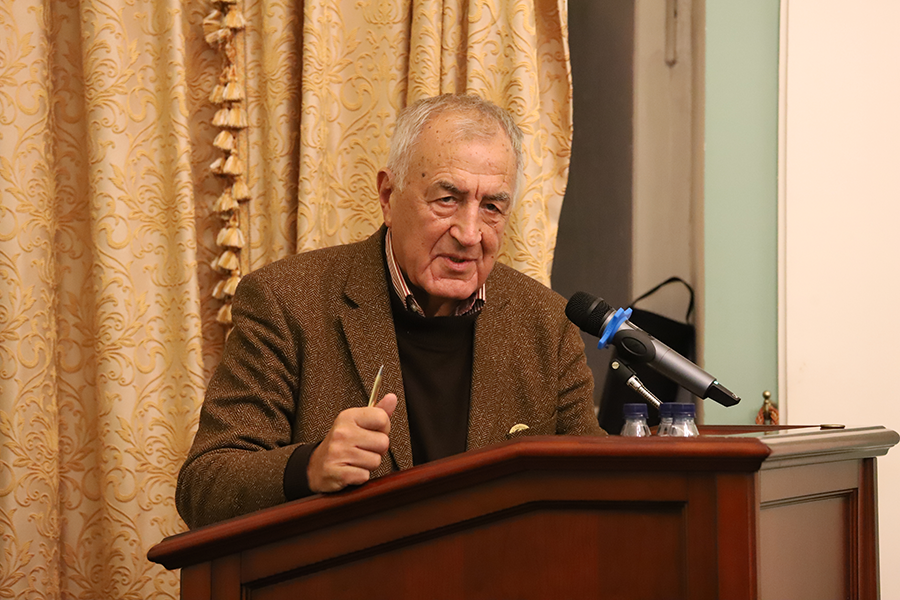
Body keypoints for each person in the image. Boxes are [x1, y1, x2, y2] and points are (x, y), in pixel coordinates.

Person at [176, 94, 604, 529]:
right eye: (447, 199)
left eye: (492, 206)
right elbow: (204, 485)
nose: (469, 233)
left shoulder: (546, 323)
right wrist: (309, 466)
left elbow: (595, 489)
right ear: (387, 195)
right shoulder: (287, 300)